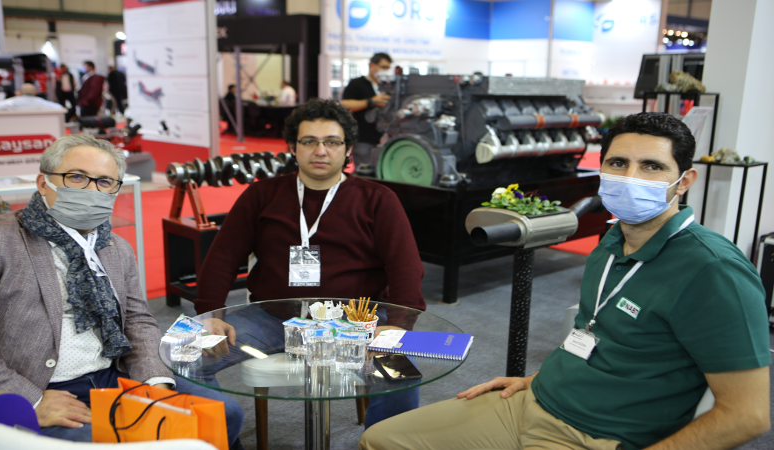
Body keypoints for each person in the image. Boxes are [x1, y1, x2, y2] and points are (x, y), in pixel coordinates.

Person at [360, 112, 771, 450]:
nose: (631, 177)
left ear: (685, 181)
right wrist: (535, 381)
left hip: (595, 435)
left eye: (652, 166)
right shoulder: (611, 243)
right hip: (534, 400)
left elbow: (747, 416)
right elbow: (592, 336)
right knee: (380, 440)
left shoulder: (714, 271)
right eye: (618, 164)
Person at [0, 134, 244, 447]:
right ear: (43, 183)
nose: (92, 190)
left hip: (113, 375)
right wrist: (29, 400)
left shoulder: (115, 247)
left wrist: (154, 380)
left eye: (104, 182)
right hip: (39, 386)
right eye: (76, 177)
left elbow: (137, 319)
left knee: (226, 414)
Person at [196, 98, 425, 427]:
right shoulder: (262, 195)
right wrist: (210, 316)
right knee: (182, 358)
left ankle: (379, 444)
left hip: (355, 322)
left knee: (399, 374)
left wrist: (397, 325)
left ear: (348, 149)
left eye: (332, 142)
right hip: (273, 318)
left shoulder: (377, 200)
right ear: (293, 147)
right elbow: (222, 258)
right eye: (309, 142)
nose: (320, 151)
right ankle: (225, 434)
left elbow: (406, 268)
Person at [340, 52, 392, 173]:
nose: (386, 71)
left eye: (388, 68)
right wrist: (371, 101)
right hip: (364, 138)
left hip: (385, 137)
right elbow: (346, 104)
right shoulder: (357, 83)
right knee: (366, 172)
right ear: (372, 65)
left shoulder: (389, 86)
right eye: (383, 67)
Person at [0, 83, 65, 111]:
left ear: (21, 92)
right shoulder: (40, 101)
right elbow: (59, 108)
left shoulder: (14, 101)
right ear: (35, 93)